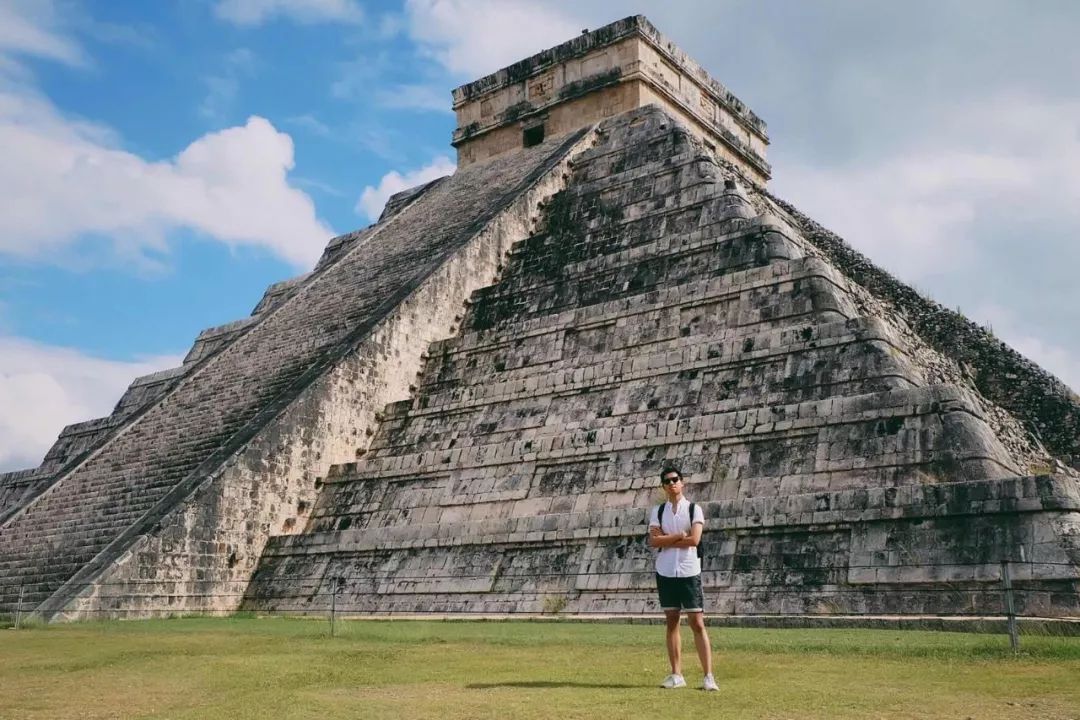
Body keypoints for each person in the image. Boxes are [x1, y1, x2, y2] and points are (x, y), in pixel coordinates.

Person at [647, 465, 718, 691]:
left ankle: (708, 676)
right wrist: (678, 536)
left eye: (675, 479)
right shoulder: (658, 512)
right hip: (666, 571)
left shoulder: (694, 510)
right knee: (672, 622)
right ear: (663, 486)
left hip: (689, 571)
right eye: (667, 481)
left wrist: (666, 539)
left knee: (697, 623)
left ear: (682, 482)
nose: (671, 484)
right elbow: (654, 542)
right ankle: (676, 674)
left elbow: (694, 540)